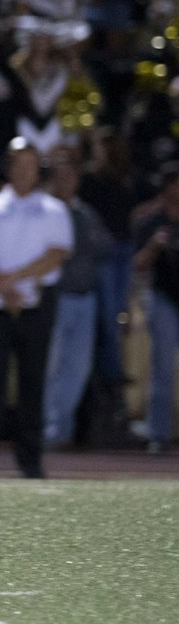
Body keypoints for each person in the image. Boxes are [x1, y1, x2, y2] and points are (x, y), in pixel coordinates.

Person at [0, 139, 73, 478]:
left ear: (38, 170)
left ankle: (30, 462)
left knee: (32, 384)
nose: (24, 172)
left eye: (30, 166)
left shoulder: (54, 210)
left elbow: (57, 254)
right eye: (18, 165)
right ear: (8, 168)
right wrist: (2, 284)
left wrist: (13, 280)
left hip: (36, 303)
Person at [42, 153, 112, 448]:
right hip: (57, 297)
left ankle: (61, 430)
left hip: (85, 298)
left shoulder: (85, 212)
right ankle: (47, 431)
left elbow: (104, 245)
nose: (67, 181)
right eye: (62, 176)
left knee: (78, 369)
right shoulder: (45, 211)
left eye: (72, 176)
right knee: (50, 367)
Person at [133, 163, 179, 454]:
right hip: (163, 297)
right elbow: (138, 265)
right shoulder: (152, 221)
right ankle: (158, 434)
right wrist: (153, 246)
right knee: (162, 368)